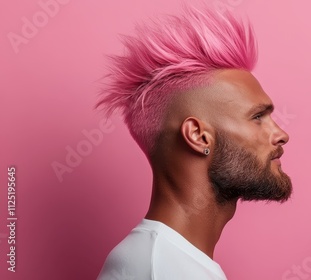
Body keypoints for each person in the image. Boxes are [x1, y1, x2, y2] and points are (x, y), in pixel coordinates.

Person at [95, 3, 293, 279]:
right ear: (198, 137)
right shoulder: (162, 268)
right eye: (258, 117)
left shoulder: (166, 261)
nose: (281, 134)